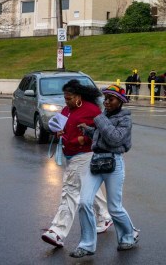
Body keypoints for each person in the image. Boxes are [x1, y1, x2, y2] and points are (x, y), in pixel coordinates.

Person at [41, 80, 112, 248]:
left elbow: (102, 130)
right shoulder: (66, 110)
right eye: (65, 98)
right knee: (88, 188)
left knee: (70, 190)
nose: (66, 101)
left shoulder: (92, 110)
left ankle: (57, 231)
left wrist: (84, 138)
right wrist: (59, 131)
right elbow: (60, 125)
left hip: (84, 154)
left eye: (69, 98)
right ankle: (104, 216)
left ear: (78, 96)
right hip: (70, 154)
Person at [70, 85, 138, 258]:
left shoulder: (125, 120)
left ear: (120, 102)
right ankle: (86, 245)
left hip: (114, 163)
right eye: (105, 98)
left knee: (114, 208)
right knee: (84, 202)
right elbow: (101, 136)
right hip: (97, 162)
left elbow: (115, 138)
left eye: (111, 99)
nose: (106, 102)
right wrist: (88, 129)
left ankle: (129, 236)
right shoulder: (104, 116)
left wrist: (98, 119)